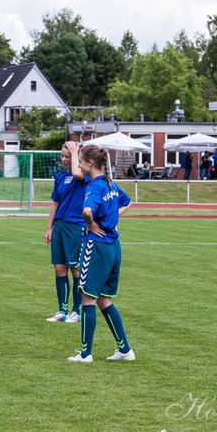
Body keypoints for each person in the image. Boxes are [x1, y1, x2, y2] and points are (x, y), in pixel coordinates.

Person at [68, 145, 134, 363]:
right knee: (104, 300)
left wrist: (93, 224)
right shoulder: (109, 182)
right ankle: (125, 350)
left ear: (90, 163)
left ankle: (85, 354)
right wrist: (110, 219)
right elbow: (128, 202)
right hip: (114, 246)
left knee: (87, 299)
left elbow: (86, 210)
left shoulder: (95, 187)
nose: (77, 164)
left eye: (80, 160)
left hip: (96, 246)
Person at [44, 141, 86, 324]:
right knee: (59, 268)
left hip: (75, 227)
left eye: (67, 156)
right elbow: (55, 203)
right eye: (62, 155)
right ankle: (62, 311)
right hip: (60, 226)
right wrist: (49, 227)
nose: (63, 159)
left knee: (75, 269)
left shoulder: (84, 176)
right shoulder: (60, 177)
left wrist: (76, 151)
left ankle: (76, 312)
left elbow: (77, 173)